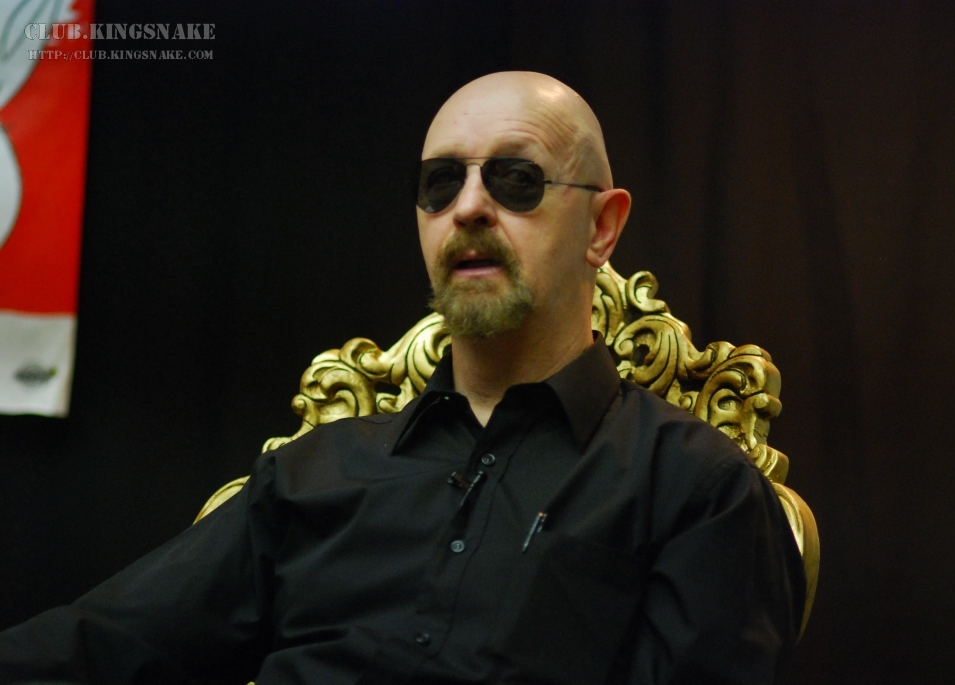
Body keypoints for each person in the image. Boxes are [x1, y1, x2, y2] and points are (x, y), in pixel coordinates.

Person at [0, 71, 805, 684]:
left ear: (602, 225)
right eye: (440, 183)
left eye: (516, 179)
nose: (469, 208)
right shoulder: (313, 471)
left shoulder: (696, 487)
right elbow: (98, 644)